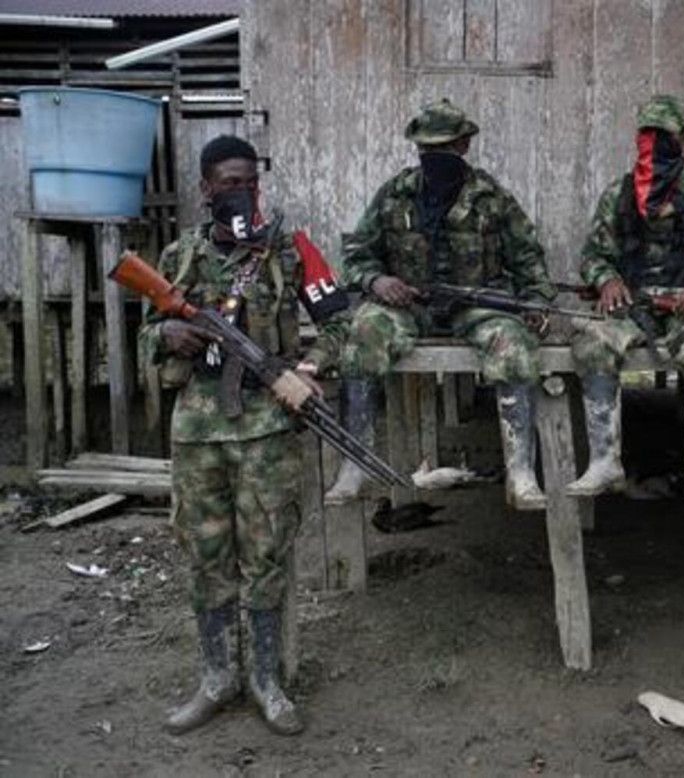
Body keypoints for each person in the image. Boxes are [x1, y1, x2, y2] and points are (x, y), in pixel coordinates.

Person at [140, 135, 350, 735]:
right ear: (206, 188)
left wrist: (312, 366)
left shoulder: (290, 250)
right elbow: (143, 335)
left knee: (266, 555)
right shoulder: (179, 256)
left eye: (250, 182)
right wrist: (166, 338)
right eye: (229, 183)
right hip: (197, 434)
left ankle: (265, 680)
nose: (241, 192)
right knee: (206, 556)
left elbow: (341, 323)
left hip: (267, 431)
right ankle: (215, 679)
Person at [327, 98, 555, 511]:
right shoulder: (396, 194)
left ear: (464, 145)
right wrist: (377, 280)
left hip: (475, 305)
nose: (436, 157)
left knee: (514, 344)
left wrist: (537, 302)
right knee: (361, 336)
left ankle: (520, 471)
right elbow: (358, 252)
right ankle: (353, 466)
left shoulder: (491, 198)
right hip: (408, 304)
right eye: (428, 150)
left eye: (446, 148)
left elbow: (527, 256)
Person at [567, 94, 684, 502]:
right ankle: (605, 462)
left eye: (663, 137)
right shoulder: (620, 194)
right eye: (647, 136)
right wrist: (607, 279)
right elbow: (593, 256)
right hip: (632, 306)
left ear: (682, 140)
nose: (654, 145)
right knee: (591, 337)